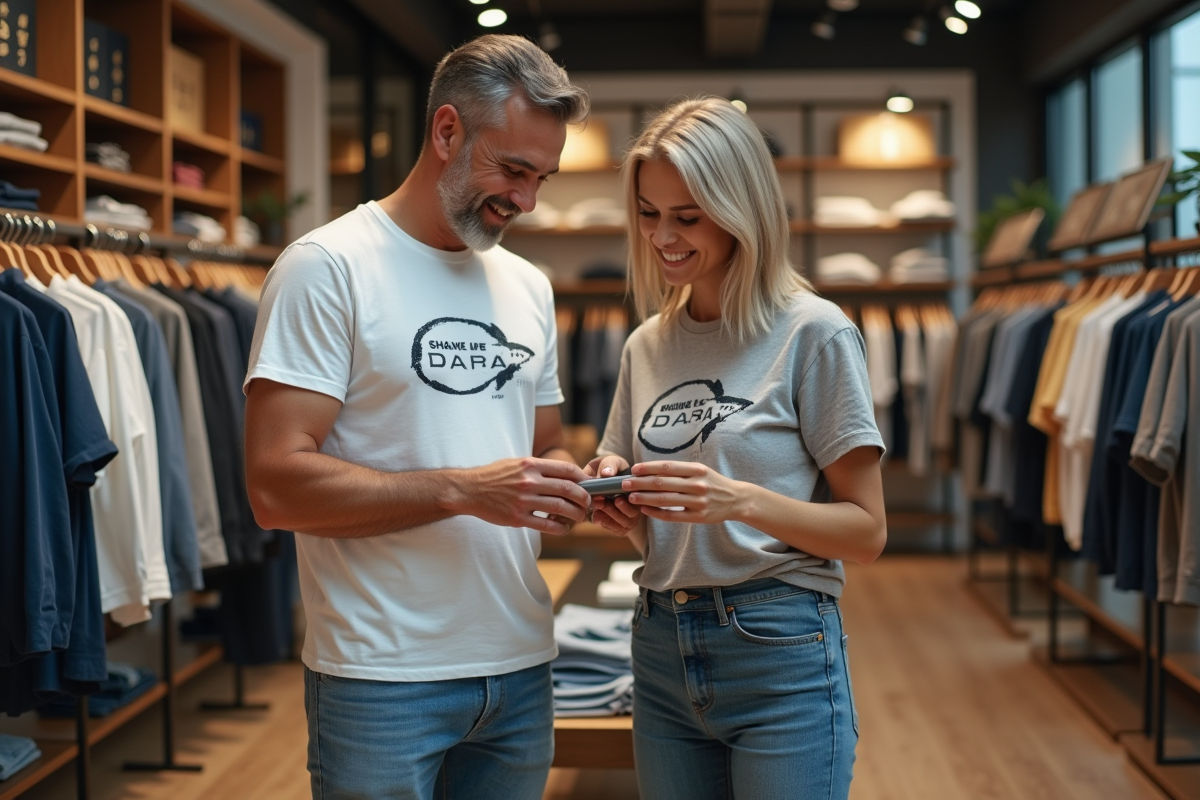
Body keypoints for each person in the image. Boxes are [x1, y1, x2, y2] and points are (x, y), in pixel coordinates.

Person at [243, 35, 591, 800]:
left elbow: (543, 449)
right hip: (380, 680)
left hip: (521, 667)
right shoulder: (326, 268)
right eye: (514, 170)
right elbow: (274, 487)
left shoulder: (530, 287)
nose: (528, 200)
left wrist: (580, 485)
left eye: (543, 178)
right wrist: (462, 491)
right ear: (445, 132)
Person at [586, 97, 888, 800]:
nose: (662, 235)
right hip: (660, 641)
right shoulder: (646, 345)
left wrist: (740, 501)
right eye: (648, 212)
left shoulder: (815, 334)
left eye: (686, 216)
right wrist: (619, 500)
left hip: (777, 645)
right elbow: (654, 525)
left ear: (739, 207)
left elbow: (868, 533)